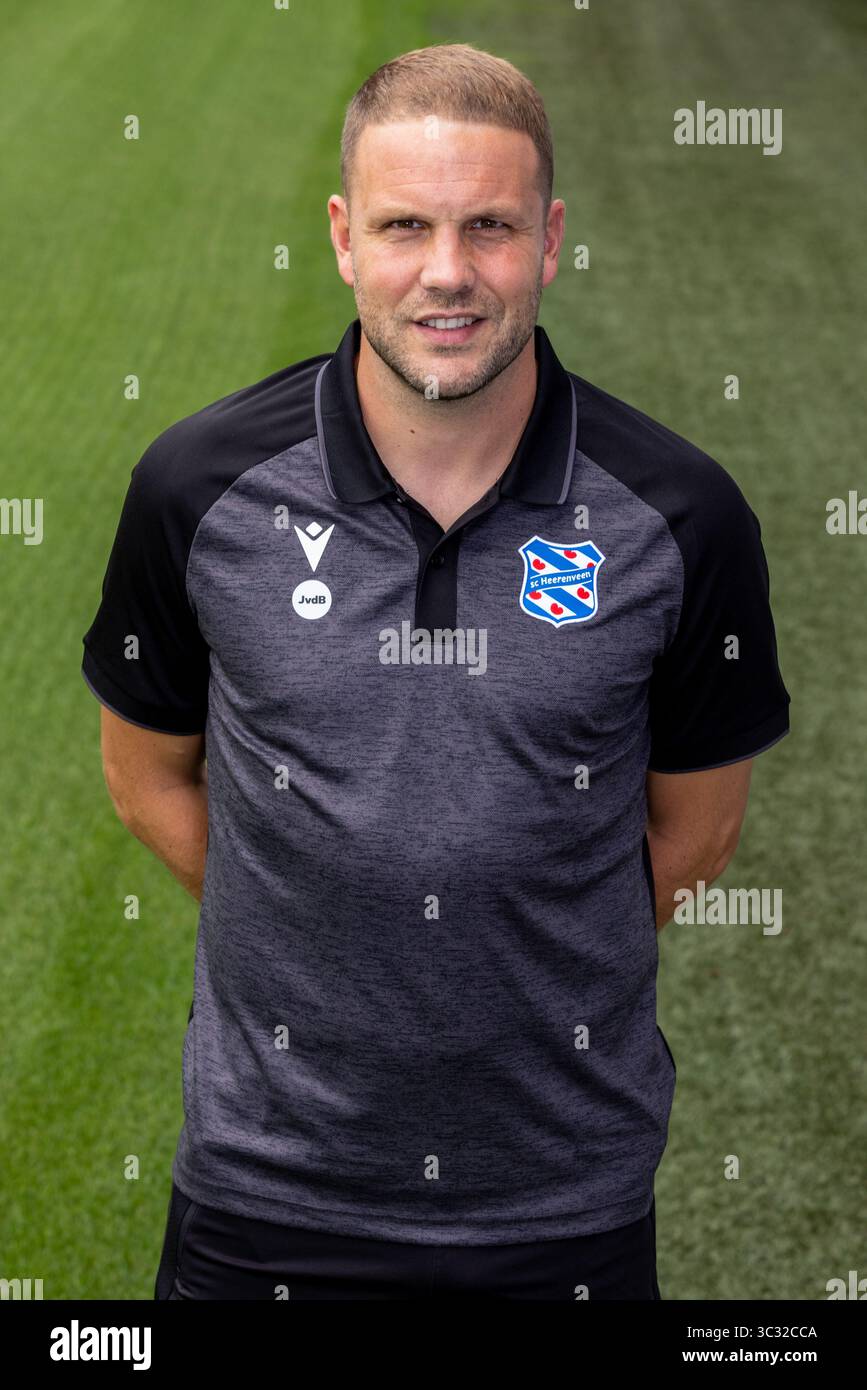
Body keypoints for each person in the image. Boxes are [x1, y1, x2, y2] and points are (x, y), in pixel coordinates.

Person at [80, 43, 790, 1300]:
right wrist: (321, 934)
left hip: (563, 1201)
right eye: (407, 226)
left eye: (491, 227)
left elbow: (694, 830)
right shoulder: (198, 489)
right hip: (266, 1197)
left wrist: (506, 951)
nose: (448, 273)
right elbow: (146, 777)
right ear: (346, 238)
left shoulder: (682, 516)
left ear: (553, 237)